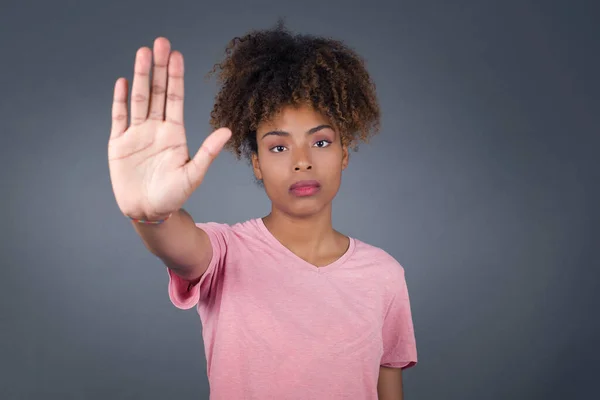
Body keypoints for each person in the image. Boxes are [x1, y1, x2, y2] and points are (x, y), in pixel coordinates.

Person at [108, 21, 417, 400]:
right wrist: (150, 214)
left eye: (320, 142)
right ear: (256, 164)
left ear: (344, 154)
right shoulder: (225, 252)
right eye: (279, 147)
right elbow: (176, 244)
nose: (302, 162)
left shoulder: (384, 275)